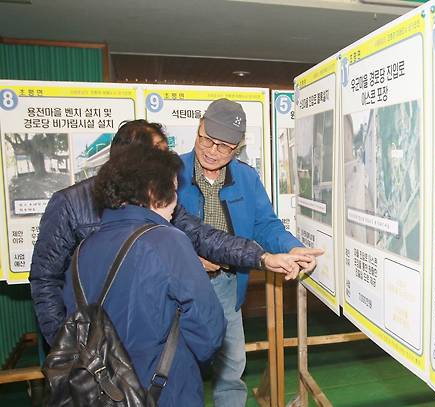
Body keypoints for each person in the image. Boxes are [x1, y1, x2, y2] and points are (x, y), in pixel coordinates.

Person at [30, 119, 310, 345]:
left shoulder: (161, 201)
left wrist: (263, 258)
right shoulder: (69, 203)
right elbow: (45, 278)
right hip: (92, 339)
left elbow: (204, 237)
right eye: (159, 155)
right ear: (131, 160)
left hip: (148, 332)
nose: (170, 161)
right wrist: (63, 343)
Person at [177, 99, 324, 407]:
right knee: (178, 368)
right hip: (179, 286)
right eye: (206, 139)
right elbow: (157, 231)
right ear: (198, 127)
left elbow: (266, 226)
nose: (211, 150)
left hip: (227, 284)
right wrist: (189, 260)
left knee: (231, 369)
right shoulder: (172, 174)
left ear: (238, 147)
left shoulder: (246, 178)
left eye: (223, 146)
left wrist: (290, 246)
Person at [62, 144, 222, 406]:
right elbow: (210, 329)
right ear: (152, 191)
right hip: (165, 390)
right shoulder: (168, 241)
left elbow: (73, 324)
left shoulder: (82, 250)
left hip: (102, 392)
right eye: (172, 190)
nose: (176, 201)